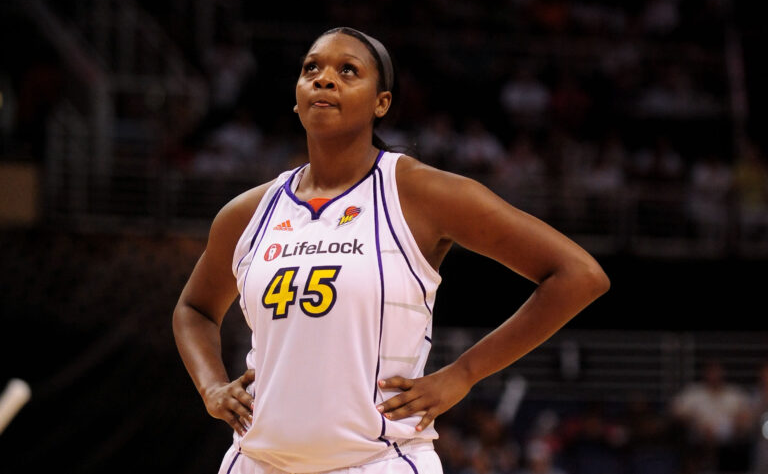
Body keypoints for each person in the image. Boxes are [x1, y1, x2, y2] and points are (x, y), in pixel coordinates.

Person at [172, 27, 610, 474]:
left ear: (381, 103)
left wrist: (463, 373)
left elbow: (578, 275)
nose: (324, 78)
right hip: (255, 461)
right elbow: (194, 309)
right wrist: (212, 388)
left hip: (381, 460)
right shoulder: (248, 213)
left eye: (348, 70)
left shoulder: (420, 193)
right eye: (311, 69)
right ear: (297, 98)